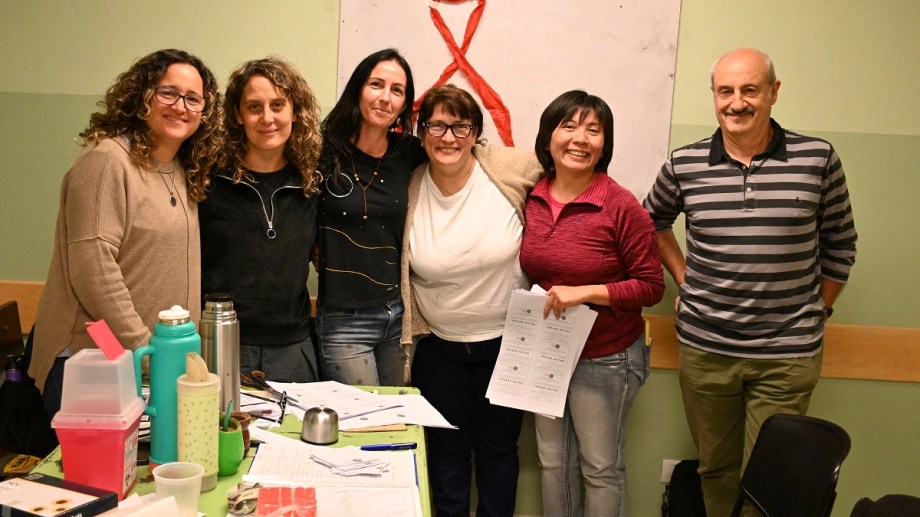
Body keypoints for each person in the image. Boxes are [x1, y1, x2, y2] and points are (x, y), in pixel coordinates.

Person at [643, 48, 858, 516]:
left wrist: (819, 309)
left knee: (773, 480)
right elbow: (651, 222)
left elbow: (841, 243)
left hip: (786, 354)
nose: (736, 102)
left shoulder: (817, 158)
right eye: (726, 91)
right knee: (716, 470)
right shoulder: (685, 163)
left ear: (773, 92)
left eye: (750, 90)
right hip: (706, 349)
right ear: (714, 96)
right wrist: (684, 278)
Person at [29, 49, 222, 418]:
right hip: (93, 365)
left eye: (193, 98)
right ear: (142, 96)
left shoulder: (182, 169)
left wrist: (166, 357)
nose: (180, 106)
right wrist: (147, 351)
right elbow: (94, 271)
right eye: (168, 93)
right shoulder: (107, 161)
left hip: (148, 364)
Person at [520, 90, 665, 516]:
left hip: (605, 358)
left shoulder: (621, 205)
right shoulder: (532, 195)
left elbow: (651, 286)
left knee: (600, 469)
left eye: (593, 130)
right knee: (552, 464)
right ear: (548, 138)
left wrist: (585, 292)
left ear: (605, 144)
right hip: (547, 351)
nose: (580, 139)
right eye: (568, 126)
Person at [402, 84, 543, 517]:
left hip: (507, 346)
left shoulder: (509, 170)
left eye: (460, 126)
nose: (448, 137)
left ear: (476, 133)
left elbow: (566, 185)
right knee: (446, 452)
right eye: (436, 126)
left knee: (499, 452)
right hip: (438, 349)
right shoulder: (409, 185)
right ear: (421, 133)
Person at [199, 57, 322, 383]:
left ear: (295, 112)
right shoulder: (208, 183)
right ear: (238, 114)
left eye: (277, 105)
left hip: (293, 347)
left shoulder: (311, 185)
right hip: (222, 345)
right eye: (254, 107)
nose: (267, 118)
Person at [315, 49, 426, 386]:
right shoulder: (322, 150)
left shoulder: (409, 152)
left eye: (397, 90)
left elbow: (461, 156)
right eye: (376, 84)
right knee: (363, 417)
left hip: (397, 314)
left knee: (394, 415)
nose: (385, 97)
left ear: (404, 105)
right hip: (343, 319)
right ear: (358, 89)